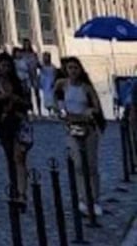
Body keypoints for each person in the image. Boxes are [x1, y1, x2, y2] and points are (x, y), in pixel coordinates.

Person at [55, 56, 106, 215]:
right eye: (70, 68)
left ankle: (95, 199)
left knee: (91, 165)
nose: (73, 71)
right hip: (72, 126)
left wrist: (90, 112)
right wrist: (62, 112)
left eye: (75, 68)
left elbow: (96, 107)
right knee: (78, 164)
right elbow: (56, 101)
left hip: (88, 127)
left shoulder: (86, 88)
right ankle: (83, 198)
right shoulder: (62, 84)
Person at [0, 51, 34, 206]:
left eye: (8, 65)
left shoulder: (19, 82)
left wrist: (16, 99)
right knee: (10, 158)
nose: (5, 69)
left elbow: (28, 103)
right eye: (3, 66)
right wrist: (1, 98)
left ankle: (22, 193)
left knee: (19, 157)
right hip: (4, 122)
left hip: (20, 121)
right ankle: (14, 189)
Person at [38, 52, 58, 118]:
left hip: (51, 84)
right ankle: (49, 111)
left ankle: (55, 111)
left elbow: (55, 75)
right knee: (46, 98)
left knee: (52, 98)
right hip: (44, 85)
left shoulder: (53, 67)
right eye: (44, 57)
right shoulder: (42, 67)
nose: (46, 58)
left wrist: (53, 82)